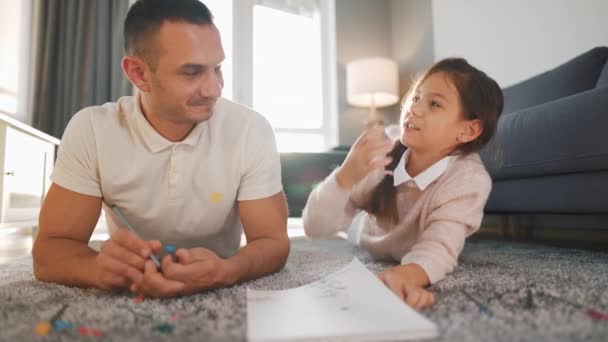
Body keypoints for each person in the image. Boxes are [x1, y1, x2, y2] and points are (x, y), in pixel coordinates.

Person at [32, 0, 289, 297]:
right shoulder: (92, 130)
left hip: (221, 269)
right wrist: (98, 269)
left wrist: (229, 271)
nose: (214, 89)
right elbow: (50, 249)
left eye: (217, 68)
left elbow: (273, 242)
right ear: (138, 74)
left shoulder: (250, 130)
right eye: (192, 72)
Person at [303, 58, 503, 310]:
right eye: (416, 97)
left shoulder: (468, 180)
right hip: (364, 233)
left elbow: (438, 247)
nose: (415, 109)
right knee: (347, 224)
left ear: (468, 131)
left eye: (434, 104)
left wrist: (408, 274)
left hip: (407, 245)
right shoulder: (383, 151)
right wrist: (344, 176)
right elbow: (314, 228)